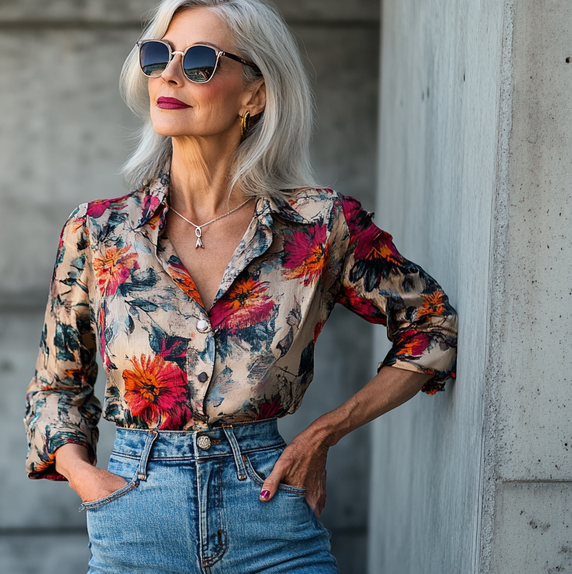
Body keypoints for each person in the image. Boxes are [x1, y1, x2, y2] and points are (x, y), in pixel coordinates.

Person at [24, 0, 458, 572]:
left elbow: (431, 325)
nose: (169, 75)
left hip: (269, 512)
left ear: (254, 95)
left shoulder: (317, 225)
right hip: (135, 517)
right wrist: (87, 478)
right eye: (158, 56)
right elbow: (56, 387)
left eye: (200, 61)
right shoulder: (99, 231)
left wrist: (325, 433)